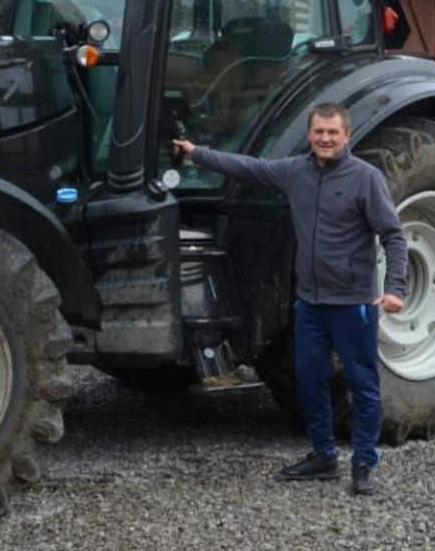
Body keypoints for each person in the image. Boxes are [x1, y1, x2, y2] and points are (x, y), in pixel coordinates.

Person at [172, 102, 407, 496]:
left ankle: (364, 462)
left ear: (347, 135)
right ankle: (323, 456)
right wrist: (197, 153)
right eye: (319, 132)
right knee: (308, 380)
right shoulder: (295, 171)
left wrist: (396, 288)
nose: (325, 139)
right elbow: (245, 167)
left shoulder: (365, 179)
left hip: (354, 305)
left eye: (333, 132)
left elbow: (394, 235)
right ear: (311, 134)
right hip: (311, 304)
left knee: (363, 386)